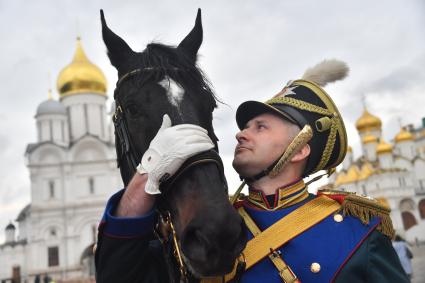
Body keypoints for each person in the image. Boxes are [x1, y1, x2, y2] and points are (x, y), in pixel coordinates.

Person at [95, 60, 409, 282]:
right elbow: (119, 275)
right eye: (245, 126)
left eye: (260, 127)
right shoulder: (207, 232)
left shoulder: (358, 234)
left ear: (299, 149)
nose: (241, 134)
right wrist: (146, 175)